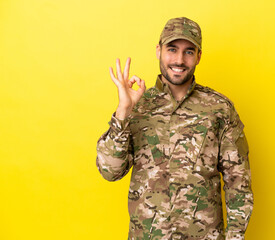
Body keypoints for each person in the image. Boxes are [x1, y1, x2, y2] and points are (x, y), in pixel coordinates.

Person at [96, 17, 253, 240]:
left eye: (189, 51)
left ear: (199, 56)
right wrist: (123, 111)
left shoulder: (219, 109)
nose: (179, 60)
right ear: (158, 50)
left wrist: (235, 237)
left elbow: (239, 183)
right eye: (172, 49)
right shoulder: (138, 106)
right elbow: (109, 171)